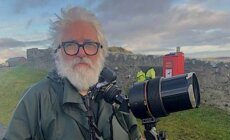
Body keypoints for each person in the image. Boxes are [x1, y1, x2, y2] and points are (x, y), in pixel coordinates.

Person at [3, 6, 141, 140]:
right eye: (70, 45)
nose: (81, 53)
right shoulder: (36, 99)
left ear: (101, 51)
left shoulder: (115, 96)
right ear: (58, 53)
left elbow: (136, 134)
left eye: (89, 44)